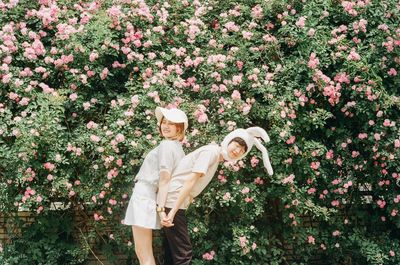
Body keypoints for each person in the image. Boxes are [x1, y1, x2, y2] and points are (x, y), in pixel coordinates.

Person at [160, 127, 274, 265]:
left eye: (242, 150)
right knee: (183, 254)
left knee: (172, 253)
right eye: (237, 145)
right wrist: (173, 212)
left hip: (173, 200)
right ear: (228, 140)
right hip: (173, 201)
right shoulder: (211, 152)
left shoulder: (214, 156)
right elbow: (190, 180)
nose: (237, 151)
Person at [124, 107, 188, 265]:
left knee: (143, 253)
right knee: (145, 253)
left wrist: (160, 211)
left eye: (171, 124)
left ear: (179, 128)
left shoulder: (167, 145)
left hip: (144, 196)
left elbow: (165, 180)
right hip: (149, 197)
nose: (165, 126)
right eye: (164, 122)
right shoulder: (178, 149)